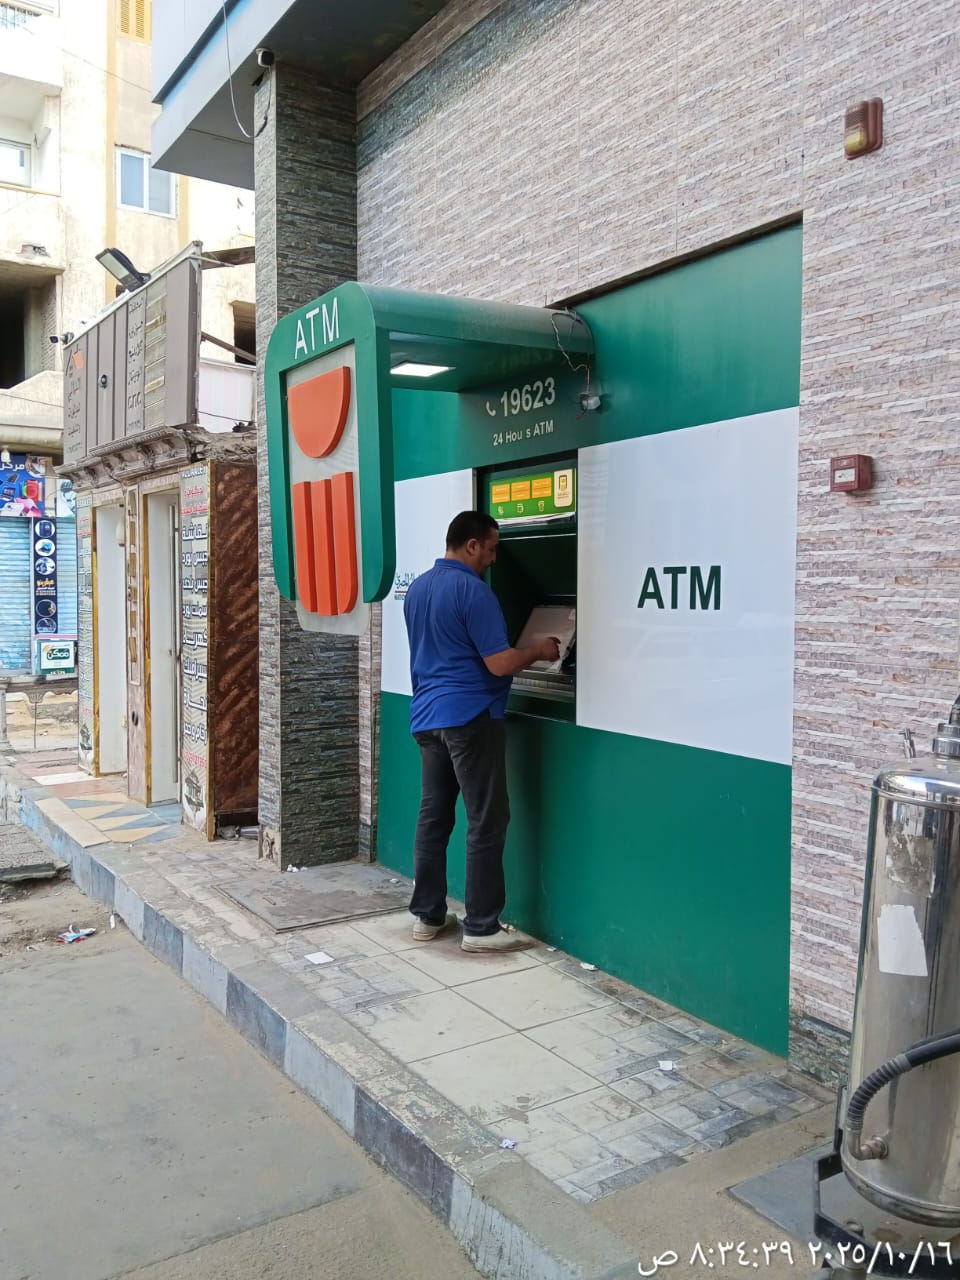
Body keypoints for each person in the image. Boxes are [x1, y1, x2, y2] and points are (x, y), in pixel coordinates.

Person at [403, 510, 560, 952]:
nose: (493, 559)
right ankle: (481, 928)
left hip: (427, 718)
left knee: (434, 818)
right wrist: (540, 650)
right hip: (470, 718)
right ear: (471, 544)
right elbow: (499, 663)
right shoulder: (473, 591)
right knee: (486, 820)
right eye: (490, 549)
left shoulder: (418, 589)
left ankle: (428, 916)